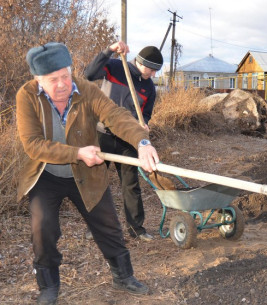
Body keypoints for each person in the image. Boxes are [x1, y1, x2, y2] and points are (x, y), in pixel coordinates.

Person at [16, 42, 159, 304]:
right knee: (43, 228)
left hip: (86, 174)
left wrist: (142, 141)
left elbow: (115, 115)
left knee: (108, 225)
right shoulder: (26, 96)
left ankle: (123, 276)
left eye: (66, 76)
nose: (62, 84)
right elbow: (32, 144)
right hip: (46, 174)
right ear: (38, 80)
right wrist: (77, 153)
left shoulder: (86, 89)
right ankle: (48, 287)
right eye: (53, 79)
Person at [84, 41, 163, 241]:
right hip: (102, 133)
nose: (153, 74)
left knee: (130, 184)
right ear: (140, 62)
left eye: (156, 71)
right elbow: (89, 74)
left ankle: (136, 228)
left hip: (128, 139)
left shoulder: (149, 88)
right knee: (96, 182)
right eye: (152, 70)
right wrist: (108, 50)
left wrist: (143, 124)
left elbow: (145, 114)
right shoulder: (115, 67)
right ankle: (94, 227)